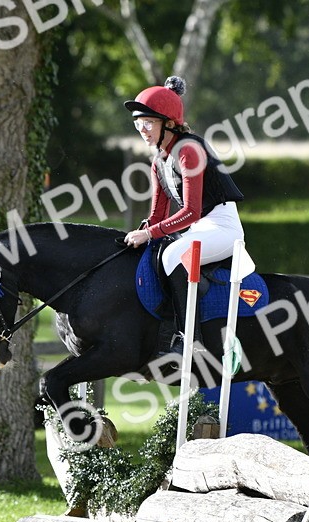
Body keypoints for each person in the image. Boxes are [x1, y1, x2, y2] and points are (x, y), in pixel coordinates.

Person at [122, 76, 245, 355]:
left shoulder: (189, 150)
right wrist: (142, 233)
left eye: (148, 123)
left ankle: (191, 339)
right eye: (138, 123)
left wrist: (151, 233)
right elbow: (157, 215)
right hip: (200, 228)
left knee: (171, 255)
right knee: (151, 251)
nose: (142, 129)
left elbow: (190, 211)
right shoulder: (159, 161)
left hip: (223, 227)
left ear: (168, 123)